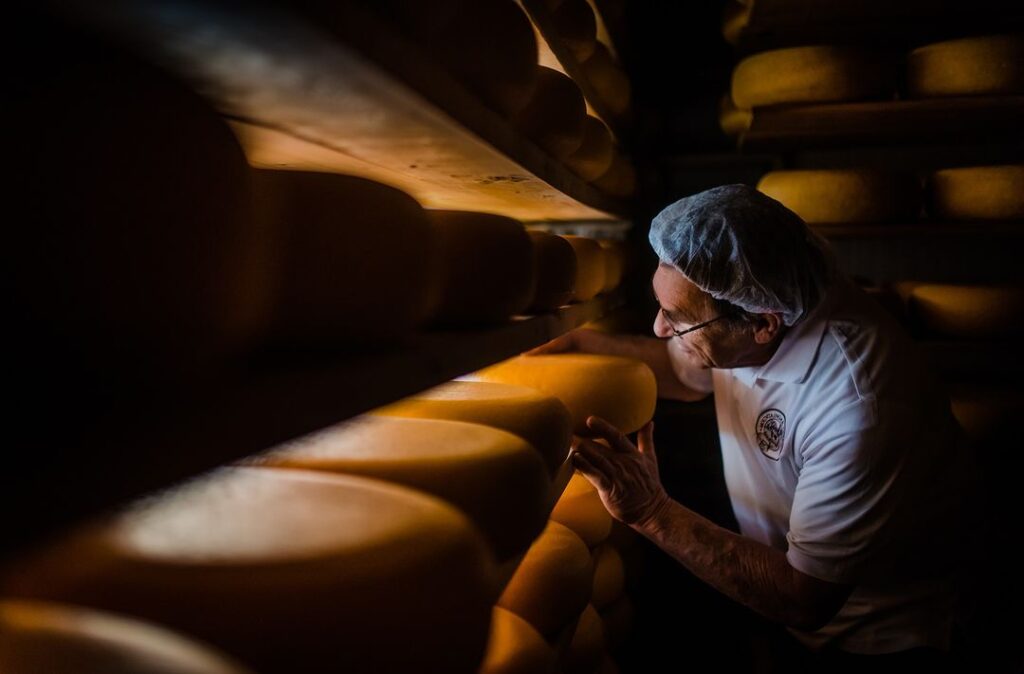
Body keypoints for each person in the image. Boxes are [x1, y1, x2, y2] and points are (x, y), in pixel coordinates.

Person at [532, 185, 977, 670]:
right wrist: (576, 345)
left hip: (879, 636)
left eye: (677, 319)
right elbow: (683, 367)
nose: (661, 327)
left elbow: (803, 598)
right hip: (784, 604)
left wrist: (652, 512)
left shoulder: (856, 407)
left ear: (763, 325)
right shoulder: (756, 297)